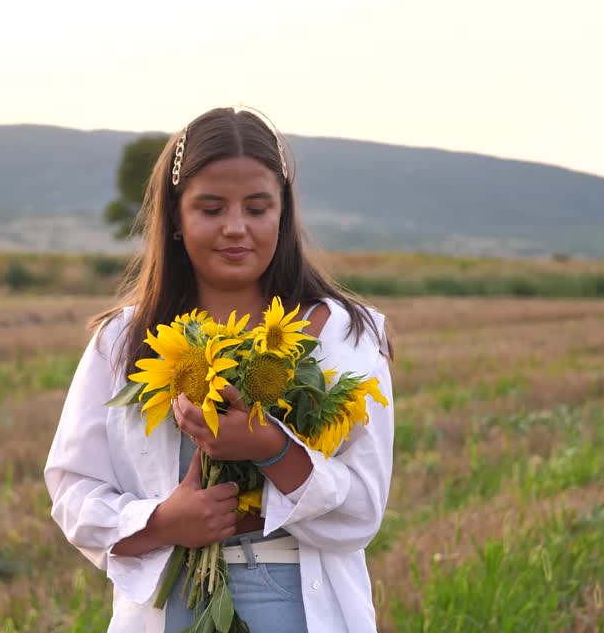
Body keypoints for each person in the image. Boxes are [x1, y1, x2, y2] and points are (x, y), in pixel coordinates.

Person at [44, 106, 394, 632]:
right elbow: (74, 493)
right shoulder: (122, 342)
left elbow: (363, 508)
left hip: (297, 608)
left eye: (257, 208)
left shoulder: (347, 336)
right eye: (210, 209)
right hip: (170, 608)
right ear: (177, 219)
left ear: (284, 212)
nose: (236, 228)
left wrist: (271, 449)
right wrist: (163, 521)